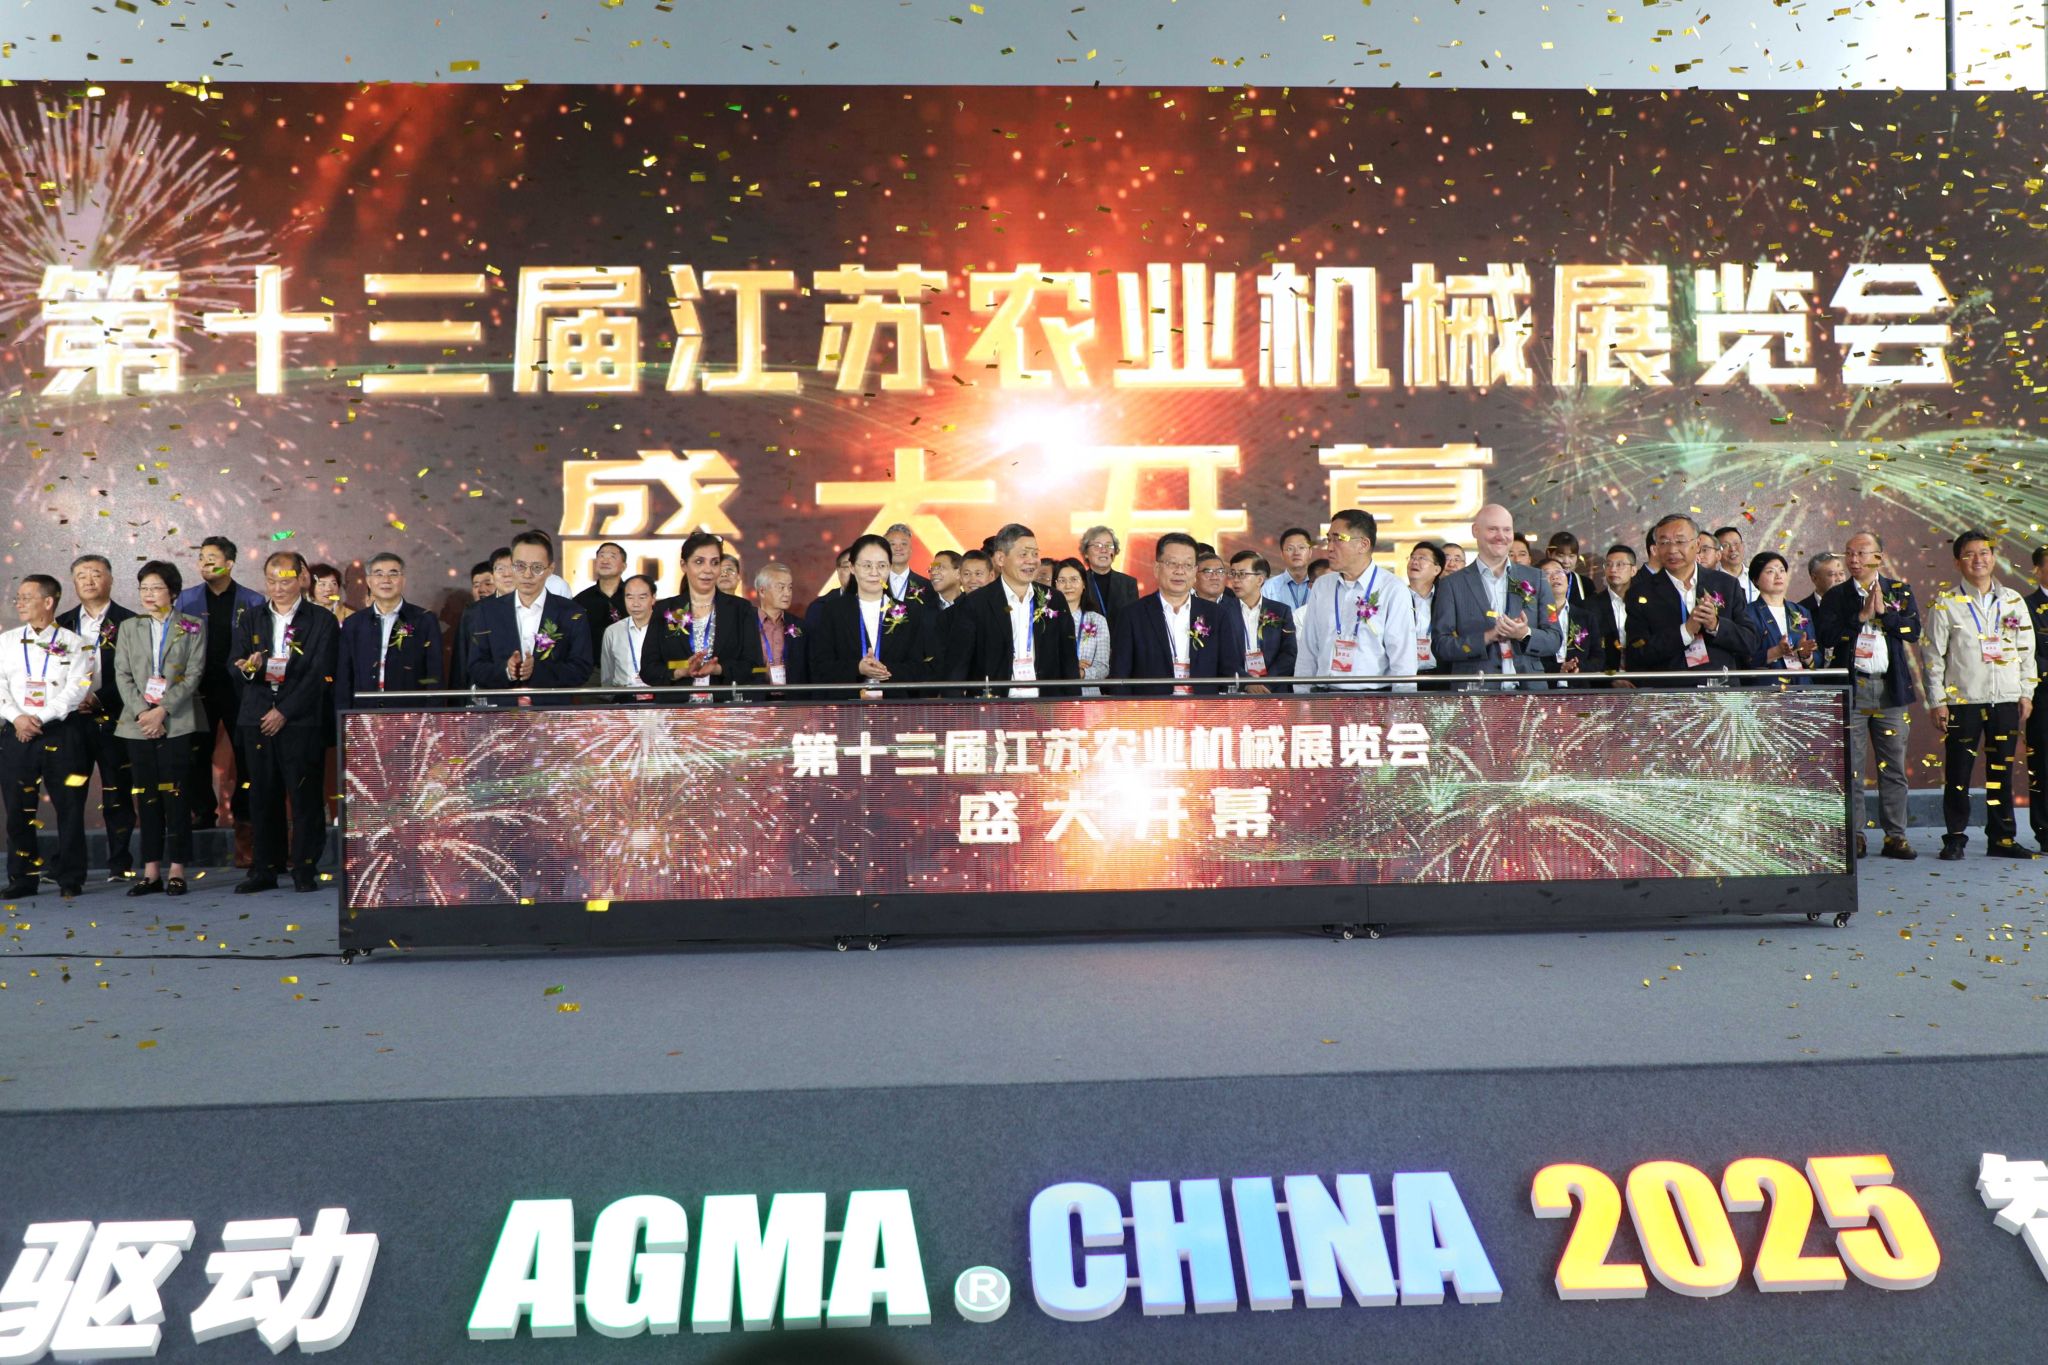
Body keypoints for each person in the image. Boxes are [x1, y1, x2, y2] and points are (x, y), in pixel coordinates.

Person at [228, 551, 340, 894]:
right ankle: (265, 867)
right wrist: (248, 669)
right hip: (257, 718)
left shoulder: (321, 619)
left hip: (301, 720)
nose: (278, 587)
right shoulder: (251, 617)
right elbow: (235, 663)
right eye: (271, 580)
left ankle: (304, 867)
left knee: (304, 796)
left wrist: (285, 711)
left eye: (286, 580)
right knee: (262, 795)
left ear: (302, 578)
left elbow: (321, 674)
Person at [1923, 530, 2038, 860]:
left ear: (1993, 557)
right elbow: (1932, 656)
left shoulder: (2013, 601)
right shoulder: (1946, 603)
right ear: (1957, 562)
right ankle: (1955, 837)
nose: (1978, 559)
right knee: (1959, 772)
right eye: (1970, 554)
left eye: (1984, 553)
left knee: (2001, 770)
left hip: (2005, 699)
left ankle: (2001, 837)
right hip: (1964, 701)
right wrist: (1937, 701)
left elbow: (2026, 651)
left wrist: (2026, 693)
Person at [1817, 530, 1922, 860]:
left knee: (1893, 767)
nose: (1854, 559)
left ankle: (1896, 836)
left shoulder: (1899, 590)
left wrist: (1884, 615)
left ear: (1879, 557)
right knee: (1852, 768)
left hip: (1890, 689)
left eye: (1861, 553)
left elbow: (1913, 631)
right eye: (1849, 553)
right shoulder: (1837, 595)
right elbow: (1826, 637)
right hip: (1854, 689)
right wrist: (1860, 617)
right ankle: (1856, 835)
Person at [114, 561, 205, 898]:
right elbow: (122, 674)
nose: (149, 595)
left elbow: (194, 674)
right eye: (144, 589)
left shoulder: (192, 625)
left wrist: (163, 710)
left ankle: (177, 869)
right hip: (137, 724)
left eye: (156, 588)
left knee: (176, 795)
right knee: (146, 797)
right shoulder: (129, 627)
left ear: (173, 592)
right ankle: (151, 871)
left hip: (177, 721)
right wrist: (143, 712)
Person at [0, 576, 93, 898]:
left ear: (49, 601)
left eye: (27, 597)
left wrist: (40, 717)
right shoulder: (7, 641)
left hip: (61, 732)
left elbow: (78, 688)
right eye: (18, 598)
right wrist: (18, 718)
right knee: (18, 809)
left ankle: (70, 876)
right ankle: (22, 878)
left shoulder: (76, 642)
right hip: (17, 733)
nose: (20, 603)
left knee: (70, 807)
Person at [175, 535, 264, 859]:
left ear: (229, 563)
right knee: (196, 752)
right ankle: (202, 810)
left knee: (246, 753)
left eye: (211, 558)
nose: (205, 564)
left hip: (240, 689)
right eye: (201, 558)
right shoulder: (186, 600)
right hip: (199, 688)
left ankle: (244, 812)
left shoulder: (252, 600)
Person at [58, 554, 137, 882]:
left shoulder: (130, 622)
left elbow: (136, 673)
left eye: (96, 574)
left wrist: (100, 698)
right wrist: (71, 700)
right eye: (81, 575)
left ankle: (120, 863)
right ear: (74, 583)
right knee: (70, 796)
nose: (89, 581)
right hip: (71, 723)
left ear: (111, 579)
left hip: (115, 719)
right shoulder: (60, 624)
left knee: (117, 792)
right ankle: (67, 866)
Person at [1431, 504, 1559, 686]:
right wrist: (1486, 637)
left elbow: (1555, 638)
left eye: (1507, 530)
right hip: (1476, 691)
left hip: (1530, 691)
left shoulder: (1536, 578)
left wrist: (1525, 633)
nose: (1501, 536)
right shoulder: (1452, 584)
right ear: (1475, 531)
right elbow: (1441, 646)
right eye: (1492, 529)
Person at [945, 523, 1079, 696]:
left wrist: (1074, 704)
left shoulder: (1054, 599)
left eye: (1035, 554)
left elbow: (1068, 660)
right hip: (993, 705)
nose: (1031, 560)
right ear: (1000, 559)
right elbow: (957, 666)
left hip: (1045, 704)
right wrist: (953, 706)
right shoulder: (976, 603)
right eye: (1023, 554)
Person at [1292, 509, 1418, 692]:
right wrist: (1301, 696)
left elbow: (1403, 657)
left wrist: (1403, 704)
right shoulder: (1322, 586)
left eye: (1338, 539)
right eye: (1328, 539)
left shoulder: (1392, 589)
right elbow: (1308, 649)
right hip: (1324, 696)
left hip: (1372, 699)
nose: (1329, 547)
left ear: (1363, 545)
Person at [1625, 513, 1760, 680]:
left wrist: (1715, 625)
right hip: (1669, 689)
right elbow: (1636, 655)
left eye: (1680, 541)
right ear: (1656, 549)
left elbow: (1750, 642)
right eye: (1664, 542)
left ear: (1697, 545)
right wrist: (1685, 631)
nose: (1672, 550)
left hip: (1719, 688)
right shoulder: (1640, 593)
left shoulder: (1727, 584)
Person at [468, 532, 595, 700]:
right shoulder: (487, 611)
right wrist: (507, 671)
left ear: (550, 570)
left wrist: (537, 671)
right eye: (520, 566)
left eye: (536, 568)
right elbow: (476, 667)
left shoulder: (572, 613)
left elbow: (581, 669)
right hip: (503, 711)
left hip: (552, 711)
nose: (527, 575)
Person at [811, 534, 938, 699]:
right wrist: (858, 668)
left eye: (881, 565)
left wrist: (885, 670)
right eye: (867, 565)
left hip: (894, 706)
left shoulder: (909, 612)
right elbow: (820, 666)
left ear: (890, 567)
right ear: (852, 567)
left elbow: (922, 667)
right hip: (846, 706)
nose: (874, 572)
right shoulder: (832, 610)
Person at [640, 532, 764, 699]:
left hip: (724, 706)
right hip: (677, 708)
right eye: (699, 562)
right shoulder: (665, 609)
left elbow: (752, 665)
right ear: (684, 565)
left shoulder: (740, 609)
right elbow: (648, 669)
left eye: (714, 562)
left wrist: (718, 669)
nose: (708, 570)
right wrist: (681, 672)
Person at [1109, 532, 1229, 696]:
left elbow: (1227, 670)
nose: (1180, 571)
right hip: (1152, 709)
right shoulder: (1132, 615)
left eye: (1187, 565)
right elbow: (1119, 676)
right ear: (1157, 568)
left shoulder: (1216, 615)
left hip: (1203, 709)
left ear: (1195, 571)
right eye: (1172, 563)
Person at [335, 552, 444, 713]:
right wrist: (344, 716)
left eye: (393, 573)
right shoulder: (354, 623)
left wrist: (431, 715)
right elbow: (344, 676)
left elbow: (435, 673)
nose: (386, 580)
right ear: (369, 581)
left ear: (403, 580)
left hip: (411, 714)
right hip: (364, 714)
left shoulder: (424, 620)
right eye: (379, 574)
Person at [1228, 551, 1296, 690]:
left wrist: (1267, 683)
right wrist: (1246, 683)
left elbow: (1289, 653)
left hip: (1273, 691)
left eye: (1242, 574)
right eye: (1233, 574)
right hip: (1236, 690)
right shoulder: (1222, 612)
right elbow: (1221, 656)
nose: (1235, 580)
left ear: (1260, 580)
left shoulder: (1281, 611)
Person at [448, 546, 512, 692]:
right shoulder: (473, 613)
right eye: (476, 585)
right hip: (480, 692)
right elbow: (461, 660)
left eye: (488, 584)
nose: (482, 589)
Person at [1744, 552, 1817, 675]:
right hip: (1768, 683)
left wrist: (1806, 655)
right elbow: (1745, 659)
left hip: (1801, 683)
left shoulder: (1801, 611)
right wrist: (1776, 652)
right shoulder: (1748, 613)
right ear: (1756, 580)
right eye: (1770, 571)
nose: (1778, 576)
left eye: (1782, 570)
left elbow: (1817, 659)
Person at [1052, 557, 1111, 694]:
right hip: (1054, 695)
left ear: (1084, 584)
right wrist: (1071, 667)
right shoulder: (1046, 618)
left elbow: (1103, 667)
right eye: (1062, 580)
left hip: (1088, 695)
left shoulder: (1097, 621)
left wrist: (1081, 673)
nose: (1068, 586)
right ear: (1055, 585)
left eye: (1074, 579)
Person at [751, 562, 808, 689]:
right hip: (756, 695)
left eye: (790, 588)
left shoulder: (797, 625)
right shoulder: (746, 623)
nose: (787, 593)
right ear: (762, 591)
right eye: (781, 587)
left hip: (792, 696)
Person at [598, 574, 660, 689]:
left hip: (659, 694)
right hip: (624, 695)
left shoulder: (665, 628)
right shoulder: (613, 631)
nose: (635, 604)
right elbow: (607, 676)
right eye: (629, 597)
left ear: (653, 598)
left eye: (642, 597)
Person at [574, 541, 629, 666]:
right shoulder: (581, 600)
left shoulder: (633, 596)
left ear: (624, 566)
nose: (605, 561)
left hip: (630, 666)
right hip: (593, 669)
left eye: (612, 557)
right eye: (601, 556)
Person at [1538, 558, 1595, 679]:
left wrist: (1578, 668)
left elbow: (1598, 657)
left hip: (1579, 685)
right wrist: (1559, 668)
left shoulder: (1586, 616)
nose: (1555, 577)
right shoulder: (1534, 617)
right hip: (1545, 685)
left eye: (1559, 572)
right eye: (1547, 573)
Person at [2028, 545, 2048, 853]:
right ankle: (2045, 831)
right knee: (2043, 764)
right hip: (2043, 696)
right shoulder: (2026, 606)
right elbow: (2026, 652)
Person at [1078, 525, 1139, 625]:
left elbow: (1135, 620)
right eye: (1097, 546)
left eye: (1108, 546)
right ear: (1086, 553)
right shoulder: (1079, 582)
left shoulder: (1128, 583)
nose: (1104, 550)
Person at [1406, 543, 1444, 679]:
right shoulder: (1397, 597)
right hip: (1405, 675)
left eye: (1422, 558)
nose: (1415, 561)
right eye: (1412, 557)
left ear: (1436, 570)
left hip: (1440, 676)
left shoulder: (1445, 600)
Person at [1598, 544, 1638, 675]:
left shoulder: (1646, 603)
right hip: (1606, 678)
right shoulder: (1591, 605)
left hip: (1642, 675)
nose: (1613, 570)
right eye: (1608, 565)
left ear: (1633, 570)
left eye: (1620, 565)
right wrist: (1611, 677)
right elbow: (1591, 651)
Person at [1262, 528, 1316, 613]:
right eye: (1290, 549)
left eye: (1301, 547)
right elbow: (1264, 617)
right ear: (1282, 555)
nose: (1296, 553)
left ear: (1310, 552)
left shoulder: (1321, 584)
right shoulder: (1269, 587)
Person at [802, 548, 856, 634]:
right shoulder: (820, 607)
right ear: (838, 571)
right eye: (847, 567)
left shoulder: (879, 605)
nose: (853, 573)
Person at [882, 522, 934, 604]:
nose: (898, 548)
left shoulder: (927, 587)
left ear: (911, 550)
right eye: (892, 544)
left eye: (903, 544)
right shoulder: (874, 583)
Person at [1799, 551, 1845, 626]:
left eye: (1841, 573)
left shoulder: (1856, 604)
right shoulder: (1800, 610)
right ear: (1814, 578)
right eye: (1832, 574)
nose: (1839, 579)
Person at [1714, 526, 1758, 604]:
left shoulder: (1757, 577)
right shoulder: (1712, 581)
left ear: (1743, 545)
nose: (1733, 549)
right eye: (1725, 546)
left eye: (1736, 543)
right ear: (1717, 552)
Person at [1544, 532, 1589, 608]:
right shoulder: (1538, 580)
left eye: (1571, 556)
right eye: (1560, 556)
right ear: (1549, 554)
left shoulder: (1586, 584)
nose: (1566, 561)